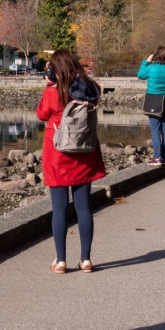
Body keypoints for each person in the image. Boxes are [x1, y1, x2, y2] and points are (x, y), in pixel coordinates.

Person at [36, 49, 107, 274]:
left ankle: (61, 261)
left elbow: (41, 114)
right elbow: (97, 91)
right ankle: (85, 259)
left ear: (55, 69)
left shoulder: (52, 92)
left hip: (58, 152)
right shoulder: (87, 89)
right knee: (83, 207)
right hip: (84, 150)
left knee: (59, 209)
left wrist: (50, 85)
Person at [137, 46, 165, 165]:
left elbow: (140, 75)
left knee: (155, 129)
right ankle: (164, 157)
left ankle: (157, 157)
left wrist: (146, 61)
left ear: (156, 55)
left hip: (154, 98)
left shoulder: (151, 68)